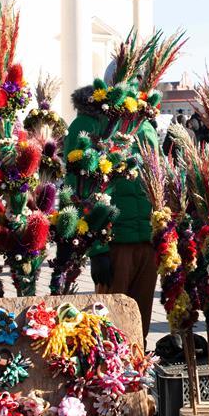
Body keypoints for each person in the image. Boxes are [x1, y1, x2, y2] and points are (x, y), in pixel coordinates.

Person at [68, 75, 160, 343]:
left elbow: (158, 181)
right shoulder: (87, 124)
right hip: (114, 244)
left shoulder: (145, 126)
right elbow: (78, 188)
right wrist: (97, 249)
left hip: (147, 240)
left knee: (138, 329)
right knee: (110, 331)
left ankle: (136, 381)